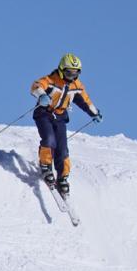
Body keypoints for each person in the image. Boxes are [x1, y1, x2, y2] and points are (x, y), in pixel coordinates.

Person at [30, 53, 102, 195]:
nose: (72, 77)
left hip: (60, 117)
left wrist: (94, 113)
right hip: (44, 113)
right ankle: (45, 165)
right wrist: (42, 95)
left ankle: (63, 176)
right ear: (62, 70)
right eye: (69, 73)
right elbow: (36, 86)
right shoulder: (51, 80)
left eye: (76, 73)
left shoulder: (76, 85)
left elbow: (85, 101)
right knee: (49, 140)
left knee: (62, 149)